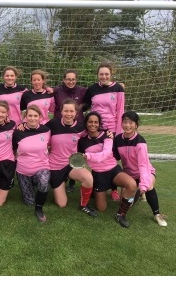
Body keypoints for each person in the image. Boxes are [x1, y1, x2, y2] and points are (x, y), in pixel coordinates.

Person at [78, 111, 137, 228]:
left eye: (96, 122)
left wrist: (89, 156)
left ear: (99, 124)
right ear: (86, 123)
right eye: (90, 122)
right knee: (101, 208)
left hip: (113, 169)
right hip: (99, 174)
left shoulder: (107, 135)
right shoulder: (82, 140)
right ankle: (95, 189)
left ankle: (121, 214)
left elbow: (106, 153)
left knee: (132, 185)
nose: (93, 124)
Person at [113, 111, 168, 226]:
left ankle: (157, 214)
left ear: (136, 125)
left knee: (148, 185)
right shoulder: (117, 139)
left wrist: (143, 183)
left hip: (145, 172)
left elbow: (143, 165)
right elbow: (115, 156)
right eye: (125, 122)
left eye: (131, 122)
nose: (127, 125)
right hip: (129, 175)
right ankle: (138, 192)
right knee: (127, 203)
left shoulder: (140, 143)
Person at [45, 98, 96, 218]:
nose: (68, 114)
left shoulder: (80, 127)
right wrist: (23, 126)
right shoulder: (53, 124)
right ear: (61, 111)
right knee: (61, 204)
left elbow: (94, 134)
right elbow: (37, 130)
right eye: (66, 111)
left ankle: (84, 205)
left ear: (76, 113)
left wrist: (108, 134)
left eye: (71, 111)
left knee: (88, 178)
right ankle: (61, 182)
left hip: (71, 164)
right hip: (55, 165)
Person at [82, 62, 125, 201]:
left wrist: (118, 132)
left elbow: (120, 111)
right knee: (95, 154)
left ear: (111, 74)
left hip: (111, 129)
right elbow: (85, 105)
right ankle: (97, 184)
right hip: (94, 127)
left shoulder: (118, 88)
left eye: (106, 74)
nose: (104, 76)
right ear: (97, 75)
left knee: (109, 157)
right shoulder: (92, 89)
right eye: (101, 74)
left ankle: (113, 189)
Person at [12, 104, 51, 222]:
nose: (32, 118)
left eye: (35, 116)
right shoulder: (18, 132)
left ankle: (39, 208)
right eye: (30, 116)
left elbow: (51, 146)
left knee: (44, 181)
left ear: (40, 117)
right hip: (23, 170)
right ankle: (32, 184)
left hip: (41, 166)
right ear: (25, 117)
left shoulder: (46, 130)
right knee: (29, 201)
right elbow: (13, 148)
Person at [52, 69, 87, 193]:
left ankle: (72, 181)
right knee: (59, 151)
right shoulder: (57, 91)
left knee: (76, 152)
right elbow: (45, 92)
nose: (70, 81)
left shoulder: (83, 91)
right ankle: (60, 177)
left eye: (73, 79)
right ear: (64, 79)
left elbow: (94, 93)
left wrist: (117, 85)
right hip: (60, 126)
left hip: (77, 126)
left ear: (76, 80)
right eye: (68, 79)